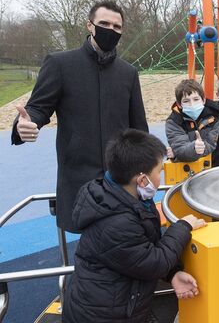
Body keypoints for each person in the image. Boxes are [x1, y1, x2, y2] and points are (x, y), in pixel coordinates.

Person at [11, 0, 148, 233]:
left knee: (122, 242)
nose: (111, 30)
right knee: (85, 248)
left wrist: (148, 165)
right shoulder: (60, 64)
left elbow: (139, 128)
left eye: (117, 27)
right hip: (78, 177)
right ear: (90, 25)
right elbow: (37, 109)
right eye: (104, 23)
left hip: (120, 178)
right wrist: (23, 125)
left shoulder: (128, 73)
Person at [62, 129, 206, 323]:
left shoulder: (123, 197)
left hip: (119, 302)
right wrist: (183, 226)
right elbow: (154, 261)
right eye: (159, 172)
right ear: (142, 180)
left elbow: (141, 251)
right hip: (102, 315)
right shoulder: (116, 223)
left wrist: (172, 274)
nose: (160, 177)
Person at [165, 79, 219, 162]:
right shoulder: (173, 121)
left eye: (196, 99)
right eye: (186, 101)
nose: (192, 104)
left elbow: (211, 144)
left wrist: (201, 148)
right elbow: (179, 148)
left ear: (203, 100)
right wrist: (194, 148)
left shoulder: (215, 116)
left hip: (206, 164)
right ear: (179, 104)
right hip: (181, 166)